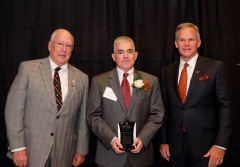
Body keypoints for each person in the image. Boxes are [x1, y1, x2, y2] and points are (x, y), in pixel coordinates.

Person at [5, 29, 89, 167]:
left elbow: (82, 118)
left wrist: (81, 150)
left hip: (65, 153)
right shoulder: (27, 69)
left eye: (68, 46)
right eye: (60, 44)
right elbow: (13, 111)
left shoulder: (82, 78)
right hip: (31, 150)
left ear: (72, 50)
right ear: (50, 45)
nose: (64, 49)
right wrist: (18, 147)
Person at [159, 23, 231, 167]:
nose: (186, 44)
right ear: (175, 43)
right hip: (174, 148)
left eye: (191, 39)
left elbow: (225, 108)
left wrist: (220, 145)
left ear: (198, 43)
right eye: (182, 40)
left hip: (207, 148)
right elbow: (164, 109)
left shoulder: (215, 67)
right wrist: (163, 141)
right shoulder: (167, 71)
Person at [87, 36, 164, 167]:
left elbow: (157, 114)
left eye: (129, 51)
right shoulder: (98, 82)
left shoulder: (151, 81)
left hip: (141, 157)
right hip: (109, 157)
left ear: (136, 55)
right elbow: (93, 116)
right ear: (113, 56)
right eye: (120, 52)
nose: (126, 56)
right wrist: (110, 139)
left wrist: (143, 138)